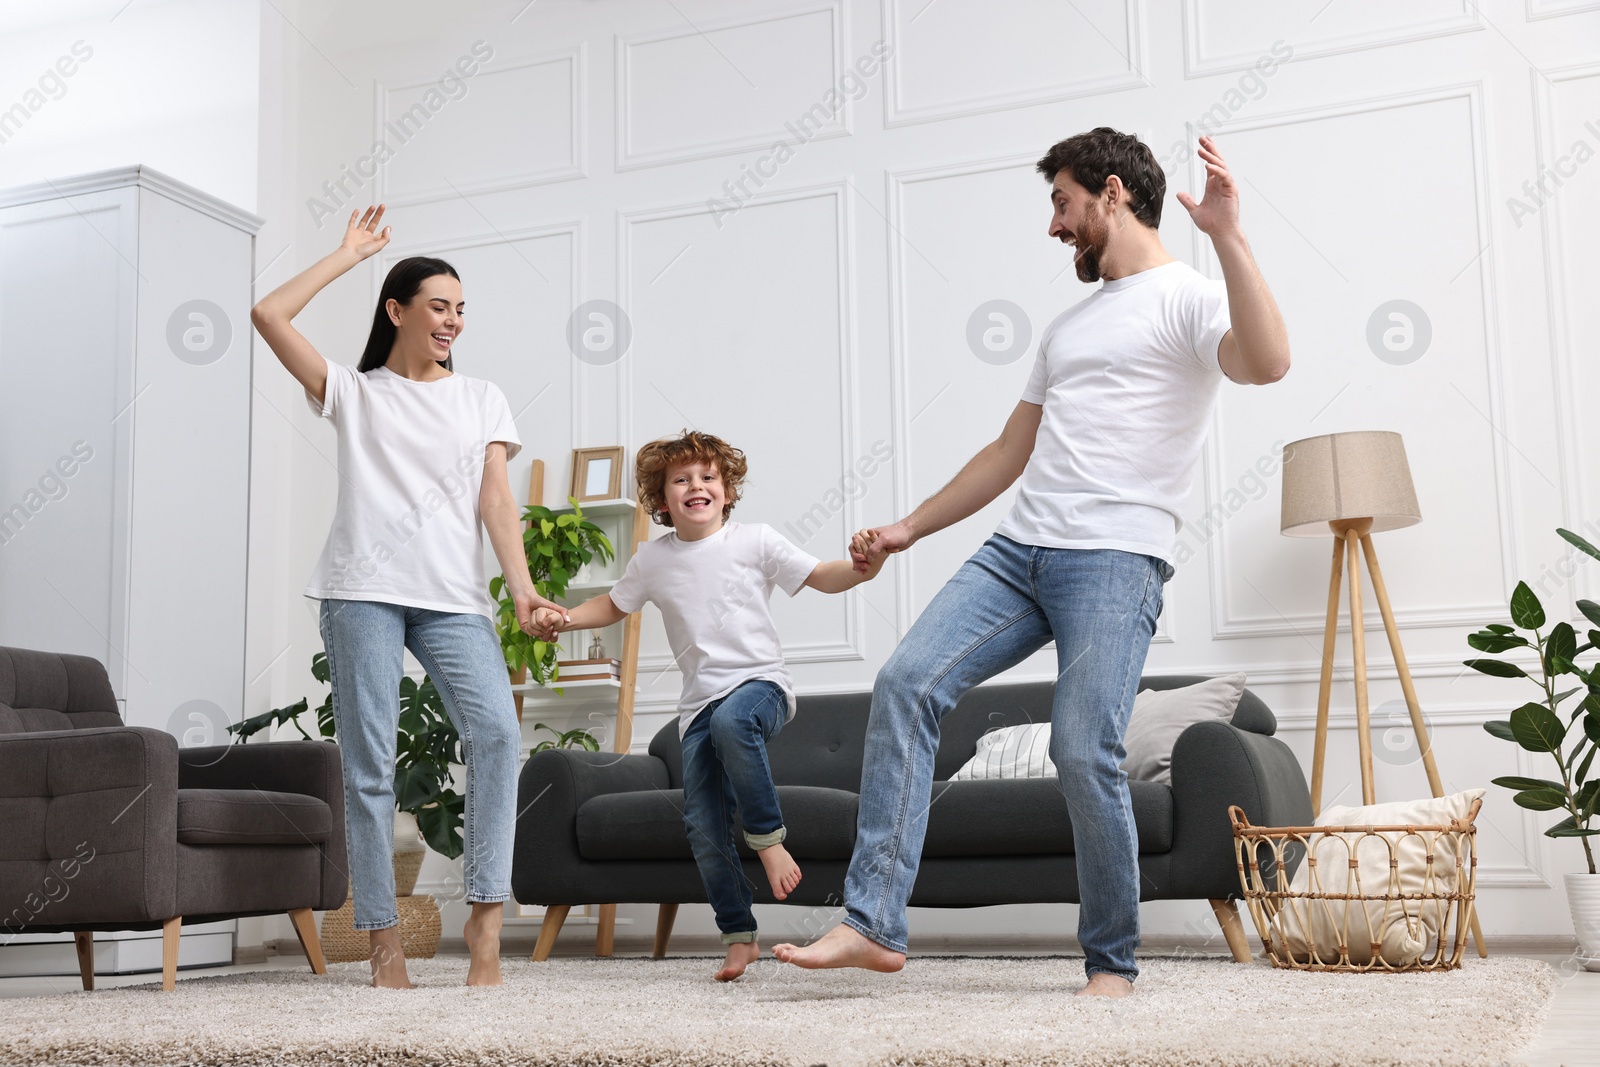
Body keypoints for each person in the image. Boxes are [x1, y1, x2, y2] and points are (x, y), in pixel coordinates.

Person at [772, 130, 1290, 996]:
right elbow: (1011, 449)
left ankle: (1111, 963)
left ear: (1111, 194)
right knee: (906, 683)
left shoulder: (1190, 298)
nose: (1054, 225)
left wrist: (1230, 236)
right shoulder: (1069, 324)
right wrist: (909, 527)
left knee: (1083, 749)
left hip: (1116, 561)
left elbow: (1267, 363)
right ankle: (872, 922)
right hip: (1021, 552)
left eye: (1061, 201)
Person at [251, 205, 567, 988]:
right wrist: (347, 255)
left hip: (452, 596)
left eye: (461, 310)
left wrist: (522, 591)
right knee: (369, 765)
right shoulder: (353, 393)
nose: (453, 321)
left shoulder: (481, 397)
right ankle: (385, 944)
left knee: (496, 733)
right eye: (438, 306)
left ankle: (485, 929)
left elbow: (497, 501)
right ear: (396, 310)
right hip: (361, 590)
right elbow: (267, 313)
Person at [543, 430, 885, 981]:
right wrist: (564, 618)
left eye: (708, 478)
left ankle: (769, 841)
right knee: (702, 825)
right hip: (697, 708)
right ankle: (739, 937)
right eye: (681, 480)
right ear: (661, 500)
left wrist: (864, 565)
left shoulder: (755, 541)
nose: (696, 487)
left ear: (727, 492)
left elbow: (822, 576)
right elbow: (612, 604)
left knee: (733, 720)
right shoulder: (652, 559)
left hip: (760, 687)